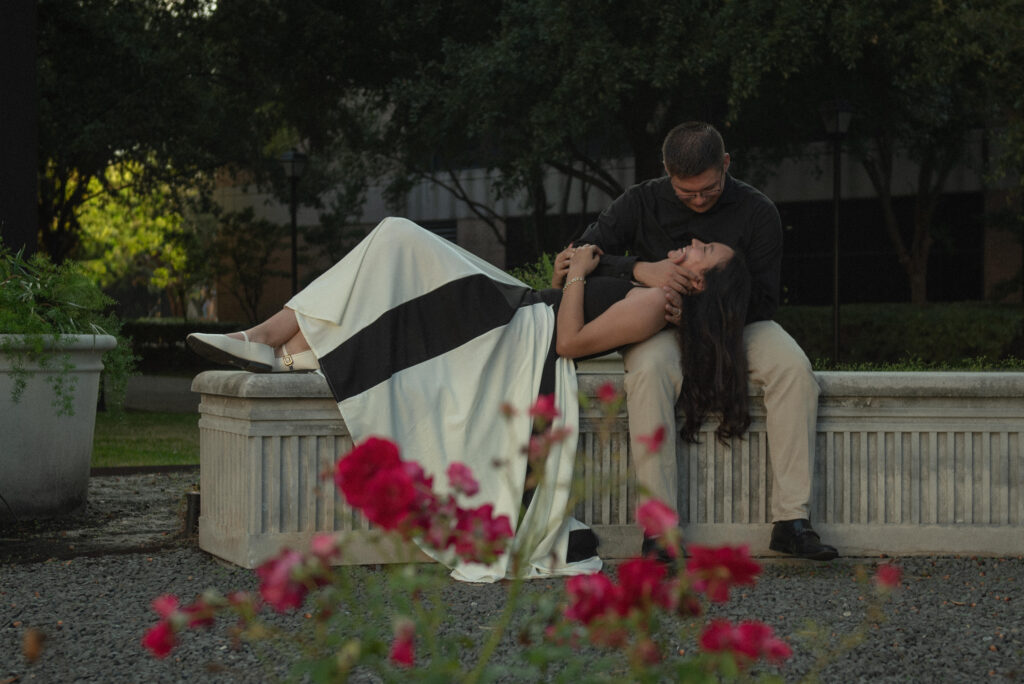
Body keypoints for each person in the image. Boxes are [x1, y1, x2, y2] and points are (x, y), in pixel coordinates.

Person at [188, 217, 744, 581]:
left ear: (698, 285)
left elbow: (570, 339)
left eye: (705, 250)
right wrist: (590, 271)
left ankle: (267, 340)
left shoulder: (655, 307)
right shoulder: (651, 288)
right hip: (520, 311)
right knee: (391, 249)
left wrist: (578, 277)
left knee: (395, 240)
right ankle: (271, 341)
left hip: (523, 338)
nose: (693, 242)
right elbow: (576, 279)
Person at [575, 121, 838, 561]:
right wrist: (642, 270)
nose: (698, 200)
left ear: (727, 165)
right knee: (649, 371)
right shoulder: (638, 202)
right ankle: (659, 532)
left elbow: (766, 300)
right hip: (658, 328)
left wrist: (698, 312)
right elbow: (577, 258)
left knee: (793, 369)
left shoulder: (758, 212)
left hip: (737, 328)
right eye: (686, 192)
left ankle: (792, 520)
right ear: (666, 171)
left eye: (709, 189)